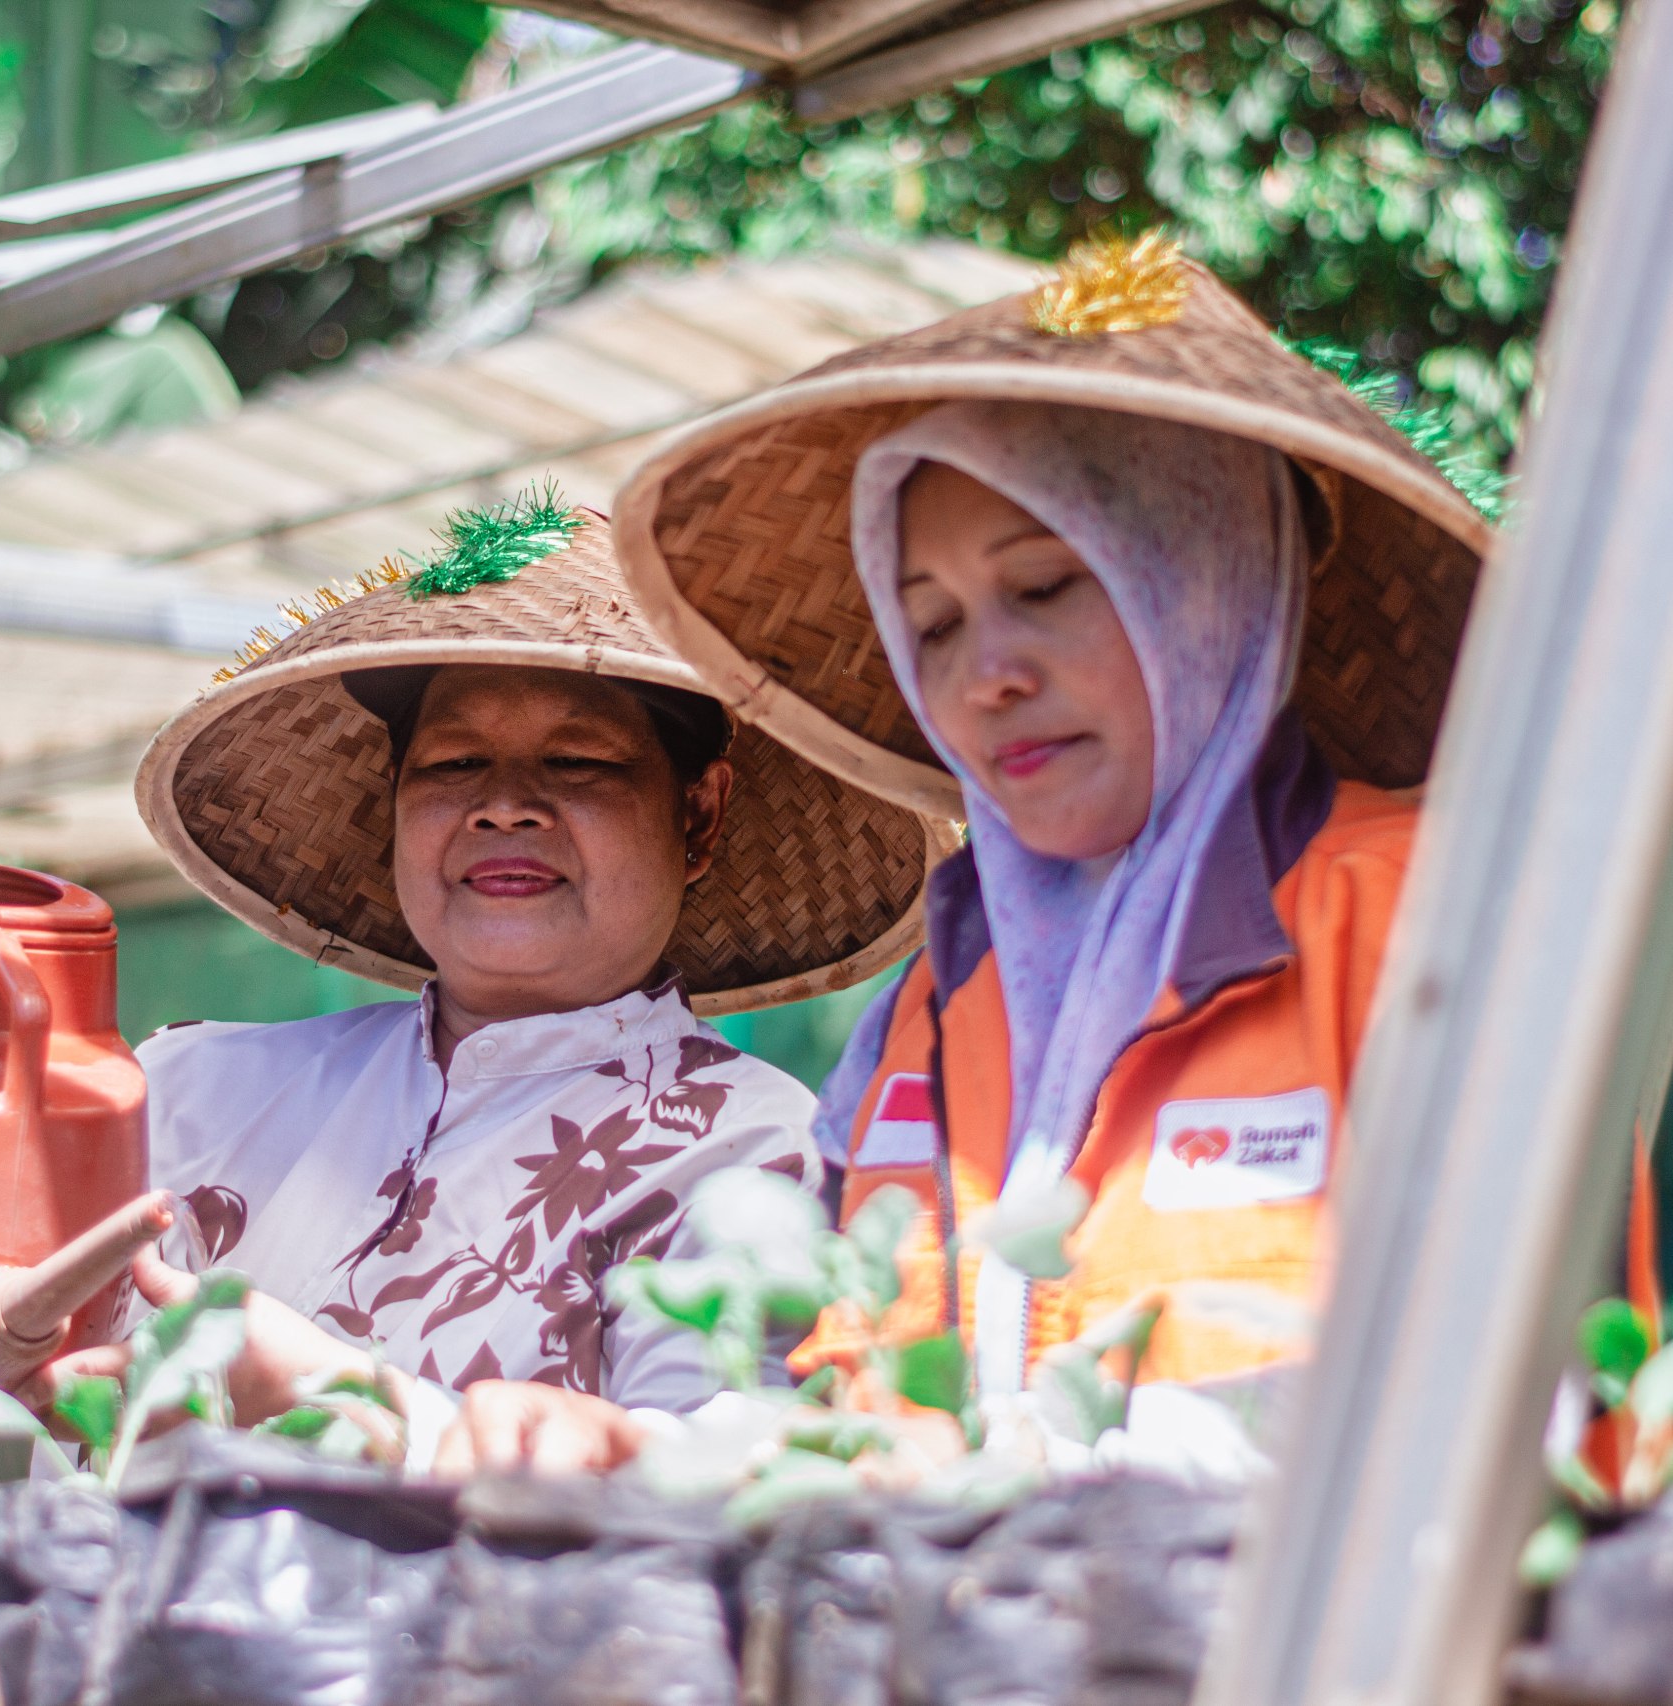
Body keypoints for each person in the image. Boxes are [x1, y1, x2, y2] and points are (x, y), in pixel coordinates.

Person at [603, 234, 1494, 1418]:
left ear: (1208, 580)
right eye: (933, 626)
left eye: (1044, 586)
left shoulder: (1423, 917)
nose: (987, 677)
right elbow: (821, 1380)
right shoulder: (945, 987)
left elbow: (1502, 1392)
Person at [23, 500, 950, 1472]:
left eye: (578, 761)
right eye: (454, 762)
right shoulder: (193, 1086)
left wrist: (352, 1402)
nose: (503, 805)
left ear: (698, 814)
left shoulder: (756, 1158)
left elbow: (707, 1502)